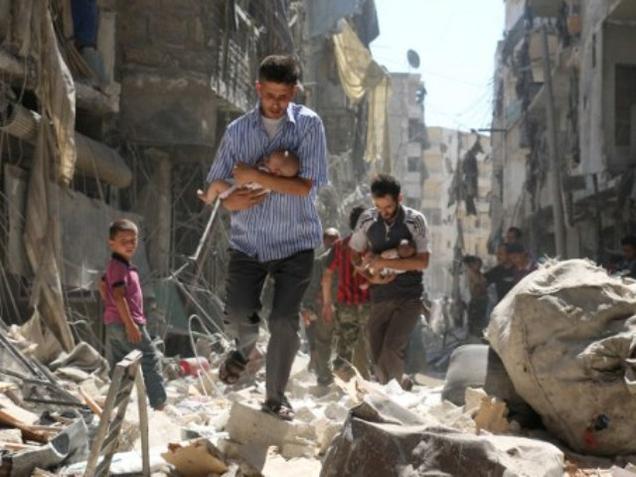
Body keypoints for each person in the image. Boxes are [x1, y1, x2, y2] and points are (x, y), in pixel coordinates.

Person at [202, 54, 328, 421]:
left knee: (284, 321)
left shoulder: (309, 126)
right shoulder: (238, 131)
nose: (275, 103)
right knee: (242, 312)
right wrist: (231, 197)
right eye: (269, 95)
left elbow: (305, 187)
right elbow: (216, 183)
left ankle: (276, 397)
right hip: (249, 242)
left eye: (283, 96)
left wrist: (249, 175)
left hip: (296, 243)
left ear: (294, 92)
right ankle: (243, 350)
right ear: (258, 89)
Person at [349, 175, 431, 390]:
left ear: (399, 198)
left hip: (409, 296)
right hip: (381, 296)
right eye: (378, 206)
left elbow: (422, 262)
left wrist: (383, 261)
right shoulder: (367, 219)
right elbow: (354, 255)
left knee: (392, 348)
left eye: (388, 206)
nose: (383, 212)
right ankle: (399, 382)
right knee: (377, 352)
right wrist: (370, 275)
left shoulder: (416, 220)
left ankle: (393, 398)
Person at [100, 219, 167, 410]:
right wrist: (131, 325)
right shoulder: (119, 267)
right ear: (111, 242)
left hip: (114, 323)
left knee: (121, 367)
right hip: (126, 323)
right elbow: (119, 297)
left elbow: (105, 286)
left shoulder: (118, 266)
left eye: (133, 240)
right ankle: (159, 402)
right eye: (124, 240)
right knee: (149, 358)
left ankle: (117, 406)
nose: (130, 245)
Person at [322, 206, 371, 381]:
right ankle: (372, 384)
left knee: (345, 345)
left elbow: (327, 275)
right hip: (368, 305)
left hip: (346, 305)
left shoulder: (340, 246)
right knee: (372, 345)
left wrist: (327, 304)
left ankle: (344, 381)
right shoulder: (372, 247)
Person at [301, 228, 340, 389]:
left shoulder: (342, 258)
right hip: (325, 306)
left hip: (339, 306)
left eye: (334, 239)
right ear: (324, 241)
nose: (331, 242)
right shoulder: (320, 261)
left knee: (331, 341)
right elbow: (312, 286)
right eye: (328, 239)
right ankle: (324, 376)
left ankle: (329, 375)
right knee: (322, 341)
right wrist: (308, 306)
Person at [198, 149, 299, 204]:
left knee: (216, 184)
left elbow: (249, 178)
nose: (266, 160)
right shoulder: (272, 185)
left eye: (269, 161)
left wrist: (246, 170)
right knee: (218, 184)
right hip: (237, 188)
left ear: (276, 172)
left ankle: (208, 199)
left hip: (235, 190)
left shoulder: (265, 178)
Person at [462, 255, 488, 338]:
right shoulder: (470, 273)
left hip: (481, 301)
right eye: (477, 264)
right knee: (475, 323)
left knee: (480, 322)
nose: (479, 266)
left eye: (480, 264)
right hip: (475, 301)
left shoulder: (479, 274)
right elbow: (476, 287)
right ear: (472, 264)